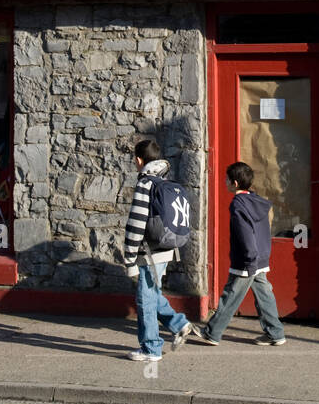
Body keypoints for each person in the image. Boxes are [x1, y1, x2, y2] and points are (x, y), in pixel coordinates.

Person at [190, 161, 286, 346]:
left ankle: (212, 333)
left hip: (247, 260)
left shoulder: (238, 205)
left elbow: (245, 235)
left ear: (234, 183)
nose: (224, 182)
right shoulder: (256, 201)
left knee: (231, 295)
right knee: (264, 295)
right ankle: (275, 333)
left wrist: (249, 260)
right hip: (260, 258)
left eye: (226, 179)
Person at [122, 139, 193, 361]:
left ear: (138, 160)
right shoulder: (164, 181)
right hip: (164, 249)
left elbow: (136, 223)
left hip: (148, 253)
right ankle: (179, 324)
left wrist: (130, 258)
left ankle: (151, 348)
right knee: (152, 293)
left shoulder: (145, 185)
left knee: (145, 298)